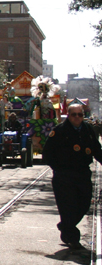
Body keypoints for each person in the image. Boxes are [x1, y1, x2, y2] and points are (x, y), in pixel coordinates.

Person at [42, 103, 102, 252]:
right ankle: (73, 239)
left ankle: (65, 227)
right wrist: (59, 169)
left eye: (80, 114)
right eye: (74, 114)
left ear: (83, 116)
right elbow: (47, 154)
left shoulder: (88, 130)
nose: (77, 117)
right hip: (64, 176)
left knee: (84, 204)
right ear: (68, 115)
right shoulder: (60, 131)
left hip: (82, 174)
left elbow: (96, 149)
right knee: (68, 207)